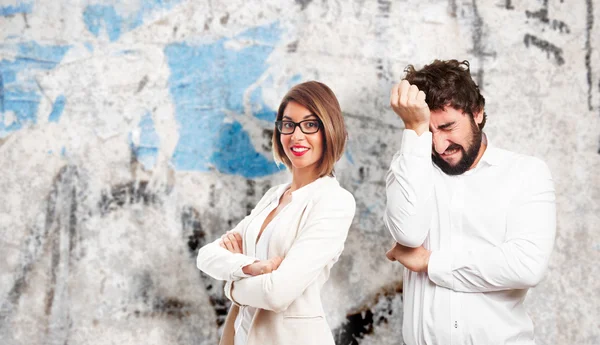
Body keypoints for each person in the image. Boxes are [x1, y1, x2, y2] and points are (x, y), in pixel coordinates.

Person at [383, 59, 556, 345]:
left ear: (477, 112)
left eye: (448, 126)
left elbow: (526, 266)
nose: (439, 146)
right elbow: (408, 233)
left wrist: (430, 262)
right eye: (429, 131)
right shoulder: (410, 165)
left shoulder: (526, 173)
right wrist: (414, 130)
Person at [196, 81, 356, 345]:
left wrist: (230, 285)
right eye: (288, 124)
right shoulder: (273, 196)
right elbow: (206, 256)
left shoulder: (334, 201)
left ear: (329, 130)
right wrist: (251, 266)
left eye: (310, 124)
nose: (296, 135)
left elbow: (277, 294)